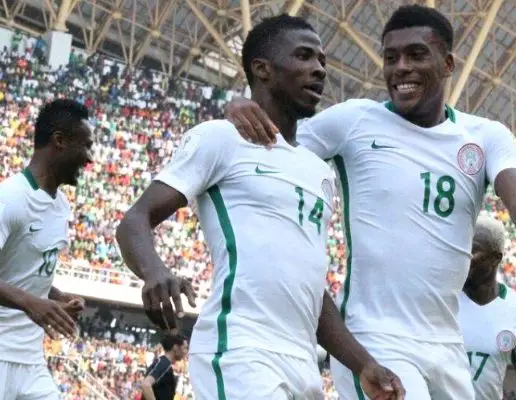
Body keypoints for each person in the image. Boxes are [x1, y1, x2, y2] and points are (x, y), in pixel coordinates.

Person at [222, 5, 516, 400]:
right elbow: (273, 142)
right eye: (391, 57)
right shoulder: (354, 121)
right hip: (374, 337)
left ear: (447, 64)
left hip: (447, 345)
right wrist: (240, 106)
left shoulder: (485, 136)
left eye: (416, 55)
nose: (401, 68)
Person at [117, 14, 404, 400]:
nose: (319, 69)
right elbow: (135, 219)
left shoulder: (318, 172)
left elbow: (311, 289)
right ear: (262, 69)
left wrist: (363, 363)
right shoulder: (222, 139)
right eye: (304, 56)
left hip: (303, 363)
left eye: (322, 61)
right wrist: (154, 271)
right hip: (241, 350)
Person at [0, 99, 91, 399]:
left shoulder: (61, 206)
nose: (89, 158)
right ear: (59, 141)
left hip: (30, 361)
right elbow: (26, 295)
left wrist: (57, 297)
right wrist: (31, 302)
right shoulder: (10, 198)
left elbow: (21, 271)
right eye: (85, 146)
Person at [459, 215, 516, 400]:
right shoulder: (443, 298)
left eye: (473, 250)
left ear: (496, 258)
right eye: (463, 247)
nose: (465, 256)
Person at [140, 334, 188, 400]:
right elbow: (145, 385)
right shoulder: (164, 363)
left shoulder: (165, 364)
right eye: (185, 348)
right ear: (175, 347)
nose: (186, 352)